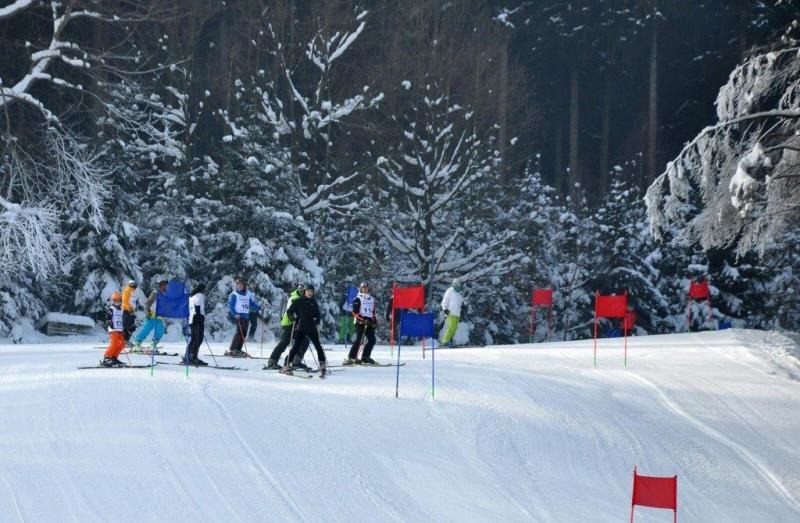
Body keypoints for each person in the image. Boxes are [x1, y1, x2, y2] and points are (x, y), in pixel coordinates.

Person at [283, 284, 327, 376]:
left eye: (311, 291)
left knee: (318, 346)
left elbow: (318, 315)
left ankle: (322, 364)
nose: (310, 293)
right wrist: (292, 318)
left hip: (311, 328)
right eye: (308, 291)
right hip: (301, 328)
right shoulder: (298, 301)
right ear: (305, 292)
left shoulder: (314, 302)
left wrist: (316, 321)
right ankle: (288, 365)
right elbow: (289, 311)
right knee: (296, 347)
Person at [265, 283, 306, 369]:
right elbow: (290, 311)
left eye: (304, 290)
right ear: (298, 290)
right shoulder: (295, 298)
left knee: (303, 341)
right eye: (301, 290)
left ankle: (294, 361)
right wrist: (294, 318)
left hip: (296, 324)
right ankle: (272, 361)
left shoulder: (302, 298)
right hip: (288, 323)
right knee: (285, 342)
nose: (303, 291)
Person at [343, 281, 378, 365]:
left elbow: (372, 312)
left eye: (366, 288)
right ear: (361, 289)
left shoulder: (371, 299)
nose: (365, 289)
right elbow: (355, 312)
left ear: (369, 289)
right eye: (363, 288)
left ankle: (365, 357)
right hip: (359, 321)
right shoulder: (358, 298)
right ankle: (351, 357)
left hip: (368, 322)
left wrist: (374, 321)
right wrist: (362, 319)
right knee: (359, 339)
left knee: (372, 340)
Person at [227, 276, 261, 357]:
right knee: (239, 332)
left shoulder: (246, 294)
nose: (239, 286)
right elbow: (231, 306)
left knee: (244, 333)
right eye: (238, 285)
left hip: (246, 316)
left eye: (241, 285)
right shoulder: (235, 295)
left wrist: (259, 307)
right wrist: (235, 314)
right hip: (239, 316)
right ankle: (233, 349)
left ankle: (238, 349)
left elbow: (251, 303)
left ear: (244, 286)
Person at [132, 279, 168, 352]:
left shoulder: (165, 294)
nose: (167, 286)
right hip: (151, 315)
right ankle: (137, 344)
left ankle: (153, 345)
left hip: (159, 316)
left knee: (160, 330)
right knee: (146, 329)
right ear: (162, 285)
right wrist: (147, 313)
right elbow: (147, 304)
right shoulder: (155, 293)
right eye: (166, 284)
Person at [183, 283, 207, 365]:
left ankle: (188, 356)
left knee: (194, 338)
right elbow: (197, 305)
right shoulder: (200, 295)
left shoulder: (191, 296)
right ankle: (192, 357)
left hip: (192, 319)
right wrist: (200, 316)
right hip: (197, 318)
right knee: (198, 338)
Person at [101, 292, 127, 367]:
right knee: (114, 343)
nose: (117, 302)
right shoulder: (111, 309)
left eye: (118, 300)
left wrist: (125, 326)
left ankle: (114, 357)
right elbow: (108, 318)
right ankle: (106, 357)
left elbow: (123, 319)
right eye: (115, 300)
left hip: (120, 329)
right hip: (113, 329)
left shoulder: (122, 310)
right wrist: (110, 323)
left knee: (122, 344)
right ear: (112, 301)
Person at [441, 278, 464, 347]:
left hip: (457, 313)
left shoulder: (459, 293)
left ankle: (450, 341)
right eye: (455, 284)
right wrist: (445, 309)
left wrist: (463, 306)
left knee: (455, 328)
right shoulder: (450, 291)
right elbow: (444, 301)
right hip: (451, 312)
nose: (457, 285)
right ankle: (445, 341)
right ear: (453, 284)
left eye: (458, 284)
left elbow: (460, 302)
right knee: (451, 327)